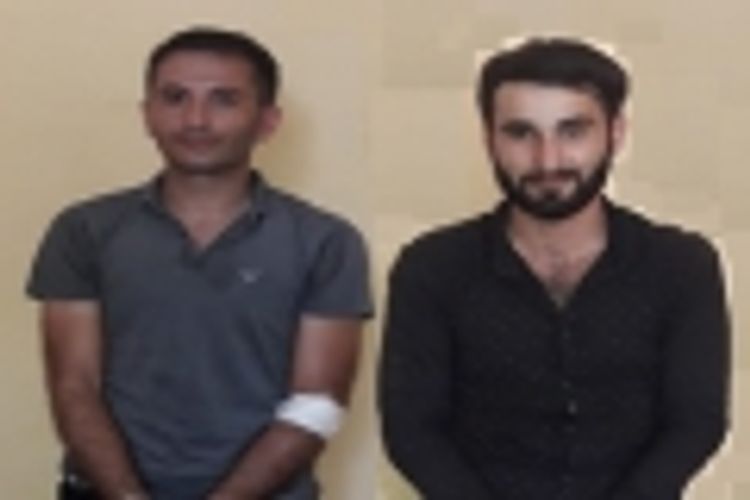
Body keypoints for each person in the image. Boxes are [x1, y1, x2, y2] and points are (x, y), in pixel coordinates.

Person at [28, 27, 371, 500]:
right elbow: (74, 386)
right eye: (175, 98)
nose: (195, 119)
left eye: (224, 100)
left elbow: (318, 403)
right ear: (147, 115)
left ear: (267, 121)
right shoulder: (83, 231)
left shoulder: (325, 241)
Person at [379, 37, 729, 500]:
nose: (548, 160)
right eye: (520, 133)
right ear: (489, 139)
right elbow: (412, 430)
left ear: (616, 133)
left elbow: (696, 422)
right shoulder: (433, 269)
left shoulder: (680, 265)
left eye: (573, 131)